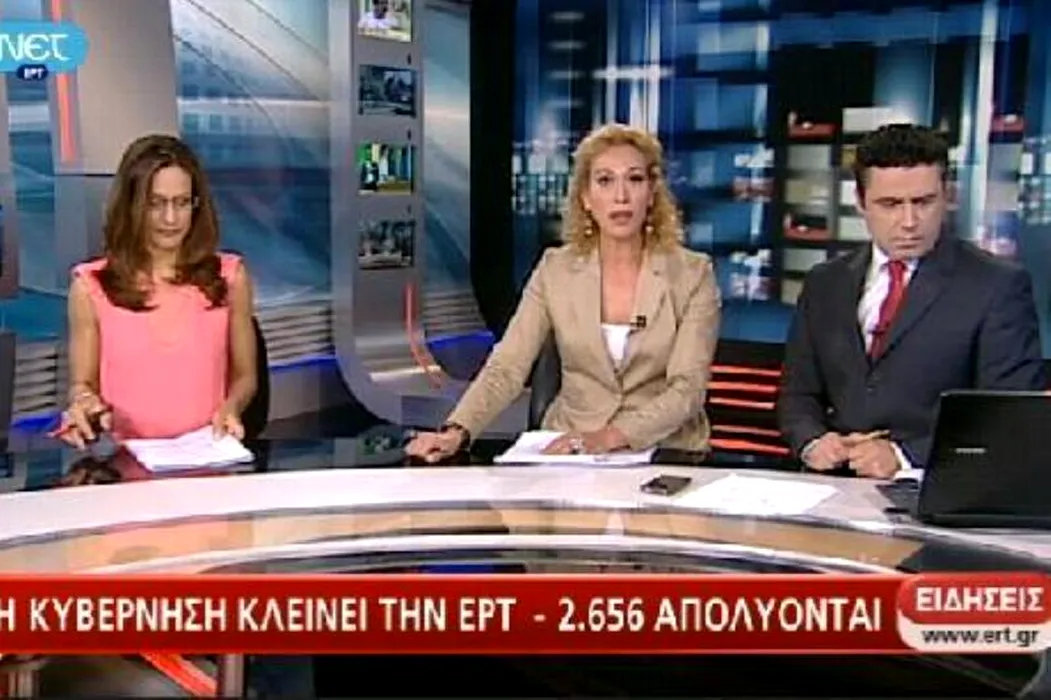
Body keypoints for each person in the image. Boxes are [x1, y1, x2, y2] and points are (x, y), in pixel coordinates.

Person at [406, 122, 721, 462]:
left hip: (666, 450)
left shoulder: (692, 274)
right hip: (569, 452)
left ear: (652, 193)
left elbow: (687, 389)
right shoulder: (555, 270)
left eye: (634, 179)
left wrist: (609, 437)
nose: (621, 196)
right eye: (605, 180)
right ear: (586, 197)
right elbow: (507, 366)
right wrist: (457, 430)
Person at [777, 123, 1046, 479]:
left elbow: (1006, 415)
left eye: (923, 202)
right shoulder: (825, 283)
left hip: (935, 487)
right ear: (861, 202)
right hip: (832, 485)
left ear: (947, 195)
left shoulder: (996, 286)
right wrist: (813, 441)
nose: (909, 221)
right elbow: (797, 394)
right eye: (890, 204)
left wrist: (903, 456)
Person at [57, 133, 257, 448]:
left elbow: (246, 376)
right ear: (131, 206)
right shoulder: (90, 286)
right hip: (126, 460)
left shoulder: (230, 277)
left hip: (207, 456)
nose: (170, 219)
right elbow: (83, 383)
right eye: (155, 203)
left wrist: (231, 407)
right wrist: (84, 403)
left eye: (182, 203)